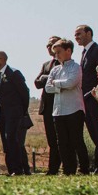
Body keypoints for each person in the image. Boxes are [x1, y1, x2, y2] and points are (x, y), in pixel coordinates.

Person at [44, 39, 89, 176]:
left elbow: (71, 83)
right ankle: (68, 169)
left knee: (76, 140)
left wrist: (56, 84)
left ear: (68, 51)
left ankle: (84, 169)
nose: (56, 55)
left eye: (59, 52)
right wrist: (60, 87)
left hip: (74, 108)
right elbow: (47, 88)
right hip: (58, 110)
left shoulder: (76, 67)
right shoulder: (55, 69)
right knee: (62, 142)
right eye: (55, 53)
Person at [73, 25, 98, 174]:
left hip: (95, 97)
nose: (77, 37)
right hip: (85, 99)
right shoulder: (84, 53)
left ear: (89, 33)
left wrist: (95, 93)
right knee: (94, 133)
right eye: (75, 35)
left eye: (79, 34)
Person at [0, 51, 31, 175]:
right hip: (1, 114)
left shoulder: (14, 73)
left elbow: (24, 93)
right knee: (6, 142)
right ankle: (11, 169)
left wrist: (22, 110)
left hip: (14, 112)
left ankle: (18, 169)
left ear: (2, 59)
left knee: (12, 138)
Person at [33, 37, 62, 175]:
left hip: (60, 103)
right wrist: (46, 78)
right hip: (47, 105)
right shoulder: (46, 64)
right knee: (51, 139)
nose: (49, 47)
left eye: (52, 44)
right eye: (47, 45)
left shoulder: (64, 63)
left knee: (62, 138)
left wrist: (46, 79)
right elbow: (37, 83)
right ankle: (53, 168)